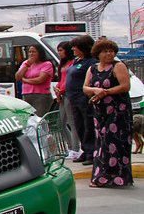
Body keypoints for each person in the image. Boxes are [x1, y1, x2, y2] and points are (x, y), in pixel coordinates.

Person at [83, 39, 135, 188]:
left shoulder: (118, 66)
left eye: (111, 51)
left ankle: (113, 177)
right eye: (105, 51)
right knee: (101, 143)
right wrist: (95, 91)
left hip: (118, 111)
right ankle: (103, 175)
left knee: (114, 143)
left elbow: (125, 86)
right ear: (98, 54)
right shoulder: (93, 69)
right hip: (100, 112)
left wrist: (105, 92)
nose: (109, 54)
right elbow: (85, 87)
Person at [65, 35, 97, 165]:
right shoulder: (77, 61)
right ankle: (85, 150)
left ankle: (91, 152)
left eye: (75, 47)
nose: (72, 49)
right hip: (73, 99)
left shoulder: (91, 62)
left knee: (88, 124)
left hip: (84, 99)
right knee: (79, 125)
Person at [53, 41, 81, 158]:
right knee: (60, 123)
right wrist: (57, 90)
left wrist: (62, 89)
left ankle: (75, 148)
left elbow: (70, 80)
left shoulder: (73, 63)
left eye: (61, 50)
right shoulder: (62, 63)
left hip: (69, 94)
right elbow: (61, 79)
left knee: (71, 122)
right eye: (58, 50)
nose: (59, 53)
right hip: (61, 95)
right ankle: (70, 147)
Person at [15, 43, 54, 116]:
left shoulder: (46, 64)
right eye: (30, 52)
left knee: (38, 118)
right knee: (28, 117)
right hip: (26, 94)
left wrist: (25, 80)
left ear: (40, 53)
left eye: (34, 52)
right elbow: (17, 77)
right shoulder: (25, 63)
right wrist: (27, 65)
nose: (31, 54)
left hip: (41, 95)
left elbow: (40, 80)